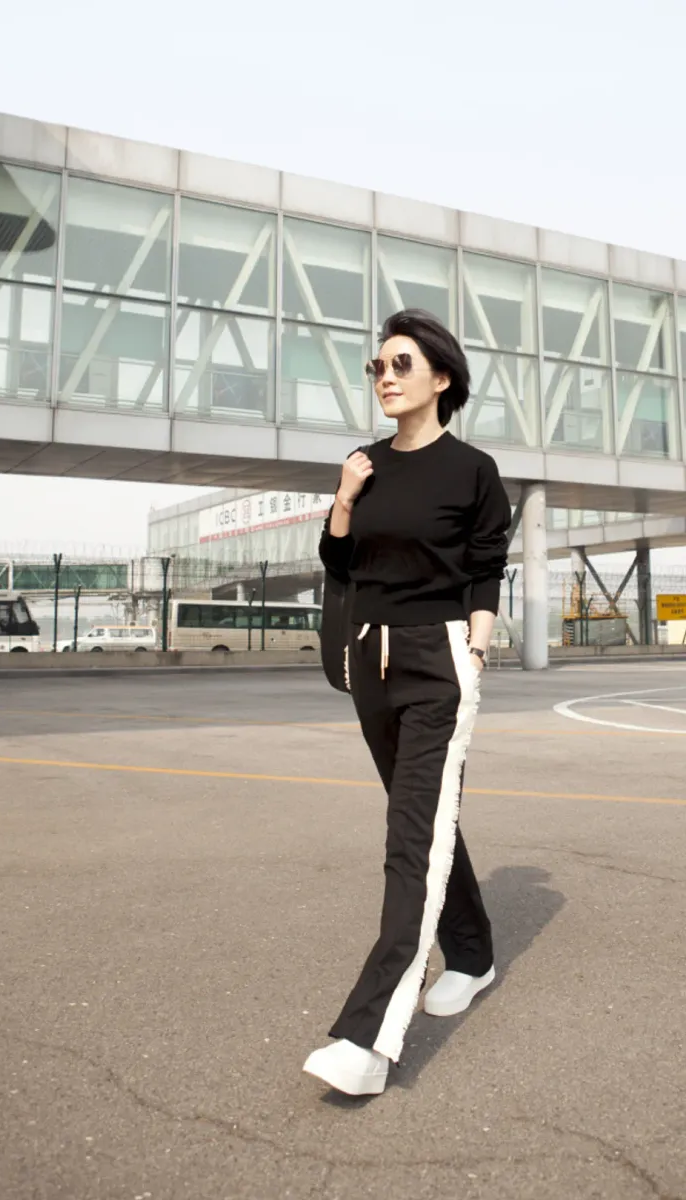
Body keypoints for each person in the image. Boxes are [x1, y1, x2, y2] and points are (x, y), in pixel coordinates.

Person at [303, 308, 511, 1097]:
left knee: (409, 839)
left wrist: (476, 652)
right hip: (370, 660)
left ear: (441, 377)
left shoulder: (473, 470)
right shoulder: (366, 464)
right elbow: (339, 562)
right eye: (377, 367)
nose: (384, 378)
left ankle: (366, 1039)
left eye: (400, 364)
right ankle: (474, 953)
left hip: (437, 662)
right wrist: (344, 497)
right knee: (423, 822)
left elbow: (485, 569)